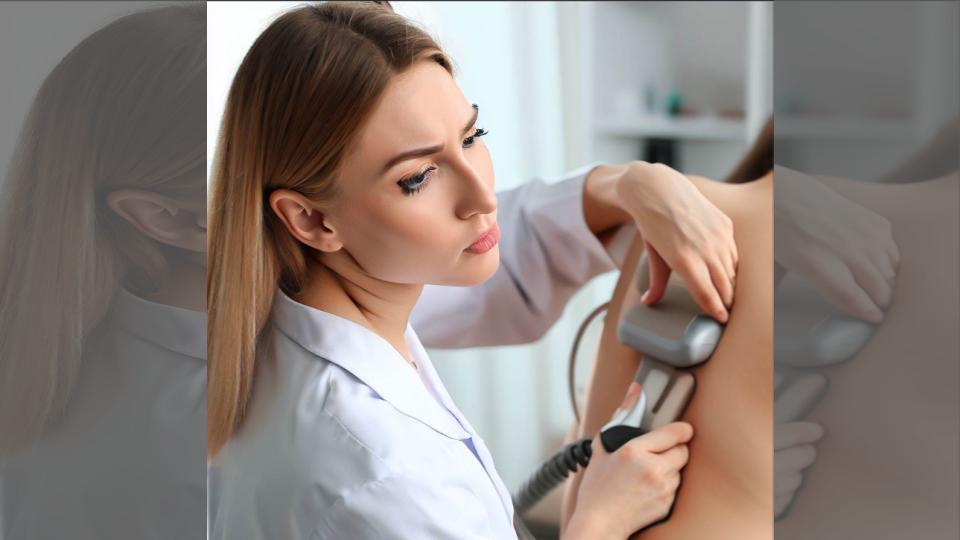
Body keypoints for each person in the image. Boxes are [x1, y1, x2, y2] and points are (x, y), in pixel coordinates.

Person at [207, 3, 739, 538]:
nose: (482, 197)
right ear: (310, 219)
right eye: (418, 178)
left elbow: (519, 247)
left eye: (471, 136)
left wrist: (631, 184)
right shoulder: (382, 474)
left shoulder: (290, 303)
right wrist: (598, 521)